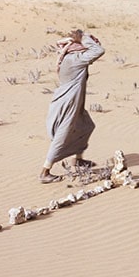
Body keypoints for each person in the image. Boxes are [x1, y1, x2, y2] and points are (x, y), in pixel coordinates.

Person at [39, 29, 105, 183]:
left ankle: (78, 160)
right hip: (68, 102)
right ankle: (45, 171)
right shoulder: (75, 59)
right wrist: (82, 38)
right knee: (63, 133)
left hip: (74, 99)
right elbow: (99, 50)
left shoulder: (71, 57)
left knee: (86, 126)